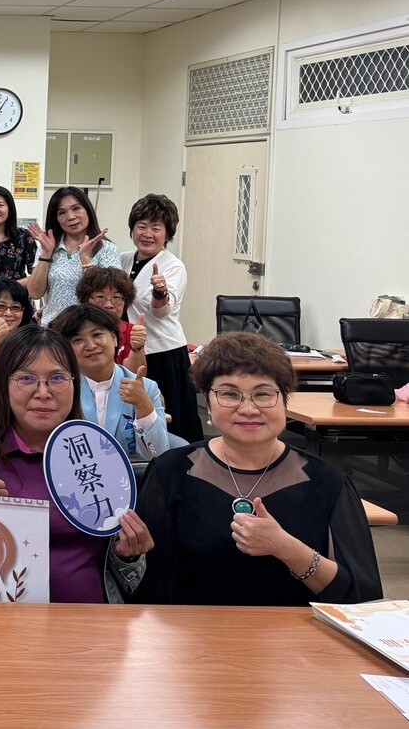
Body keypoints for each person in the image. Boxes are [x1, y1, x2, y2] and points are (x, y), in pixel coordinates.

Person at [136, 331, 382, 606]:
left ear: (285, 399)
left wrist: (285, 547)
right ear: (207, 399)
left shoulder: (329, 482)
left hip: (297, 644)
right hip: (196, 641)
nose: (248, 408)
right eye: (230, 394)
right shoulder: (169, 473)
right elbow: (151, 586)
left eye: (263, 394)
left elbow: (361, 599)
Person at [0, 327, 153, 604]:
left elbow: (130, 581)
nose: (43, 392)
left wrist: (127, 553)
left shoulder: (97, 455)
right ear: (3, 385)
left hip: (92, 626)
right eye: (26, 379)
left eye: (57, 378)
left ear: (74, 383)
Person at [50, 305, 176, 462]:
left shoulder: (147, 388)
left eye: (97, 335)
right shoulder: (59, 389)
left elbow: (157, 453)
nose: (91, 346)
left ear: (115, 339)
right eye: (78, 340)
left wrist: (143, 406)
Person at [120, 193, 199, 441]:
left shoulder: (173, 266)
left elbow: (162, 310)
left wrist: (160, 290)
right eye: (141, 226)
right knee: (133, 416)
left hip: (163, 353)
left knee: (169, 419)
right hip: (129, 351)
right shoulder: (123, 260)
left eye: (156, 228)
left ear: (167, 234)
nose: (147, 234)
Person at [25, 186, 121, 325]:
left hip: (90, 330)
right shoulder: (48, 246)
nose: (71, 217)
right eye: (62, 212)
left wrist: (86, 261)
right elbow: (34, 293)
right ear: (56, 218)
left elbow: (110, 298)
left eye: (76, 208)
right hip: (53, 331)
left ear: (88, 210)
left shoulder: (107, 249)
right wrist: (46, 253)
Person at [76, 266, 148, 377]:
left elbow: (134, 377)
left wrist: (137, 348)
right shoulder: (74, 328)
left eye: (117, 297)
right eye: (100, 297)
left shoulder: (131, 331)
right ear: (86, 299)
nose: (108, 305)